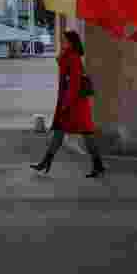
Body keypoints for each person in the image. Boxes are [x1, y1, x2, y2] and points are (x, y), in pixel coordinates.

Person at [30, 29, 106, 178]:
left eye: (64, 40)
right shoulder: (69, 56)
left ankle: (98, 165)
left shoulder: (73, 57)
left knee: (86, 134)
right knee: (60, 133)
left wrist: (66, 103)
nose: (61, 42)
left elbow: (75, 83)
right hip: (71, 102)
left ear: (71, 42)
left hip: (74, 104)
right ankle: (45, 162)